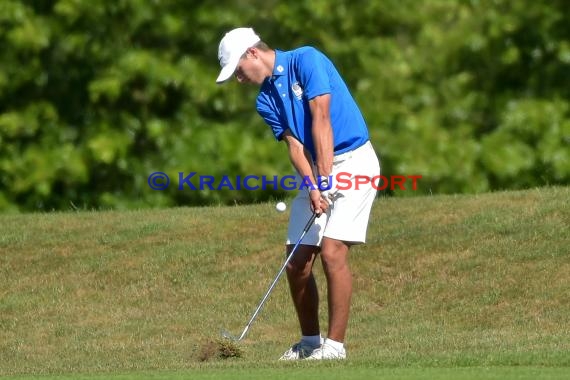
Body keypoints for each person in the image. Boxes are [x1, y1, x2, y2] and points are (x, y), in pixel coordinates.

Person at [215, 27, 380, 360]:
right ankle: (309, 344)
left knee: (333, 252)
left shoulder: (307, 60)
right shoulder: (265, 100)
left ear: (252, 53)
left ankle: (334, 348)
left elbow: (321, 118)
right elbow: (294, 145)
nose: (239, 79)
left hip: (353, 161)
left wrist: (325, 178)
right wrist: (313, 186)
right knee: (297, 260)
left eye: (238, 71)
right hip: (315, 168)